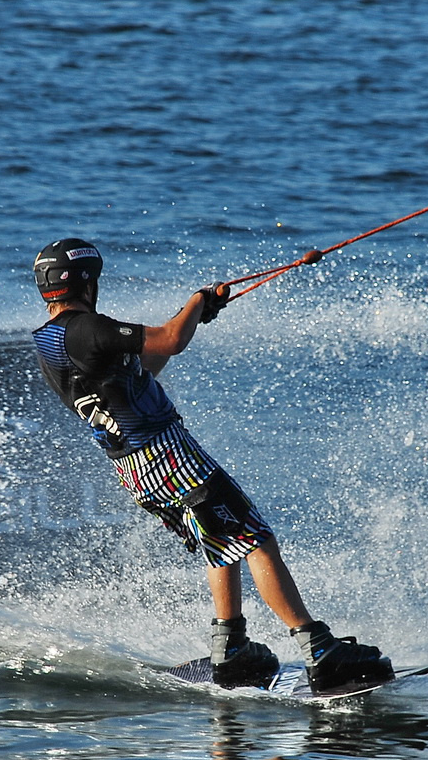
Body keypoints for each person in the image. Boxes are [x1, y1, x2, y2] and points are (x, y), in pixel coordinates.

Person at [29, 237, 393, 692]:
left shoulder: (50, 342)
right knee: (255, 539)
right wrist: (195, 303)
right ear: (86, 282)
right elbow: (169, 339)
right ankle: (319, 648)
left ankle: (232, 648)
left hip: (134, 469)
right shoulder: (87, 328)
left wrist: (199, 317)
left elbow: (137, 376)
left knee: (220, 540)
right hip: (168, 455)